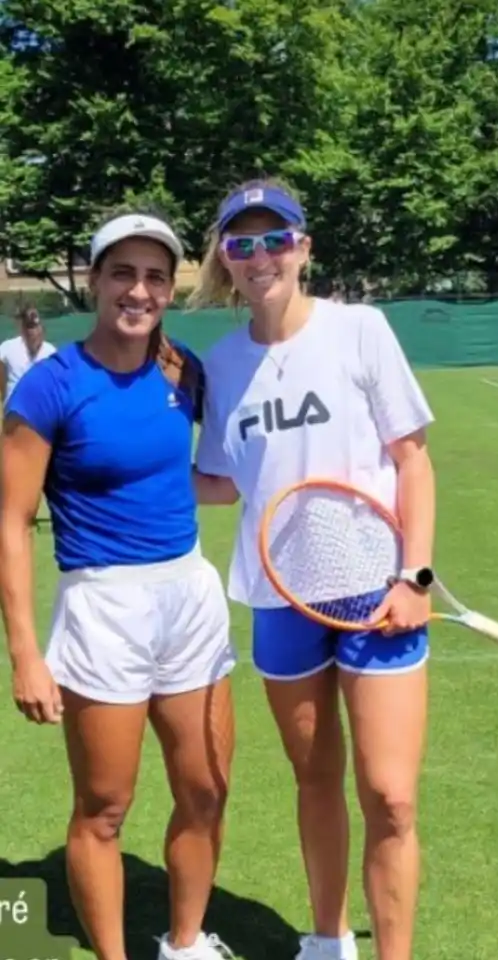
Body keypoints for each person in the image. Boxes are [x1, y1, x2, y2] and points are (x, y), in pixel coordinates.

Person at [190, 179, 436, 960]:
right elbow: (224, 481)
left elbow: (413, 461)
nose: (258, 256)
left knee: (392, 798)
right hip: (280, 597)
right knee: (315, 780)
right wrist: (102, 468)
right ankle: (328, 941)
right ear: (225, 260)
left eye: (273, 239)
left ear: (303, 248)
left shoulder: (359, 329)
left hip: (377, 590)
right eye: (240, 243)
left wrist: (416, 578)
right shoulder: (222, 365)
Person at [0, 212, 237, 960]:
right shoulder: (50, 387)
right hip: (104, 605)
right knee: (105, 809)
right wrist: (26, 654)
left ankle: (188, 942)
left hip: (188, 597)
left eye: (156, 276)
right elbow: (11, 521)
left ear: (171, 288)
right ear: (97, 282)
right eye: (123, 273)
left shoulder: (182, 371)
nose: (139, 290)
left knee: (206, 791)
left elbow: (194, 475)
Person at [0, 306, 56, 405]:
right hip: (14, 411)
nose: (32, 331)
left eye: (35, 326)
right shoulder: (8, 348)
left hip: (40, 411)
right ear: (22, 329)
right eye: (28, 326)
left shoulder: (50, 352)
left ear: (42, 328)